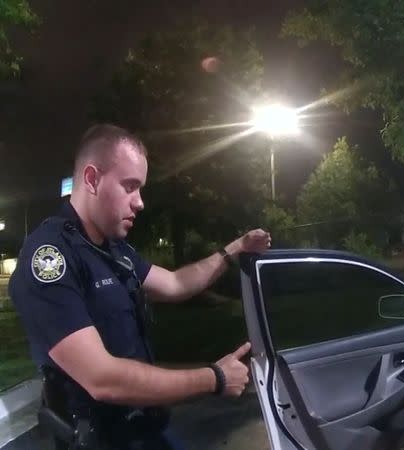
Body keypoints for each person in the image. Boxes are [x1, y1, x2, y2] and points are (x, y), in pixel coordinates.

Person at [9, 124, 271, 450]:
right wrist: (214, 378)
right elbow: (101, 378)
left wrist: (233, 250)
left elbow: (176, 284)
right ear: (91, 179)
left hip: (143, 430)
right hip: (97, 441)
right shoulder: (49, 257)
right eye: (130, 187)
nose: (140, 203)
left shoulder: (112, 250)